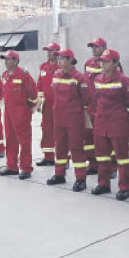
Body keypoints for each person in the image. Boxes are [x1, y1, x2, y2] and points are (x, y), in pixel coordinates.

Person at [90, 49, 129, 200]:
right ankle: (103, 184)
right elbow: (95, 100)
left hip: (118, 124)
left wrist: (122, 116)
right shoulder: (98, 79)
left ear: (116, 63)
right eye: (101, 61)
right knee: (102, 156)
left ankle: (124, 187)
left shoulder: (124, 81)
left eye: (106, 61)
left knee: (122, 158)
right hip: (101, 123)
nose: (102, 63)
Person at [46, 49, 90, 191]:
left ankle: (80, 178)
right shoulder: (57, 75)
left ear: (71, 60)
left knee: (76, 148)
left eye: (63, 58)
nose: (60, 61)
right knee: (60, 147)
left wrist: (77, 111)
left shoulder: (79, 78)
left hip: (74, 118)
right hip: (59, 117)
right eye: (59, 58)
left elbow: (86, 98)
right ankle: (59, 174)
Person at [0, 50, 38, 179]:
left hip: (21, 112)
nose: (6, 62)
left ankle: (26, 168)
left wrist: (27, 109)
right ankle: (11, 166)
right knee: (10, 139)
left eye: (8, 59)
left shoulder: (23, 75)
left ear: (15, 61)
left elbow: (33, 94)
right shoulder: (5, 75)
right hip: (8, 112)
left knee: (24, 141)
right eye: (5, 59)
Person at [84, 37, 107, 174]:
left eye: (97, 47)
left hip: (102, 107)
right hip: (90, 106)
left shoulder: (110, 63)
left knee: (104, 138)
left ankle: (110, 167)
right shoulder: (88, 63)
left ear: (104, 48)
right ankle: (93, 164)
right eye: (92, 47)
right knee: (89, 137)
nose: (94, 49)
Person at [36, 42, 61, 166]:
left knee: (60, 132)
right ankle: (48, 157)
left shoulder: (62, 67)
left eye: (51, 51)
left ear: (57, 52)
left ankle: (63, 158)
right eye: (47, 51)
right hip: (47, 105)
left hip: (59, 105)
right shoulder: (43, 67)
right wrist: (40, 102)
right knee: (46, 130)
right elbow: (39, 85)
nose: (48, 53)